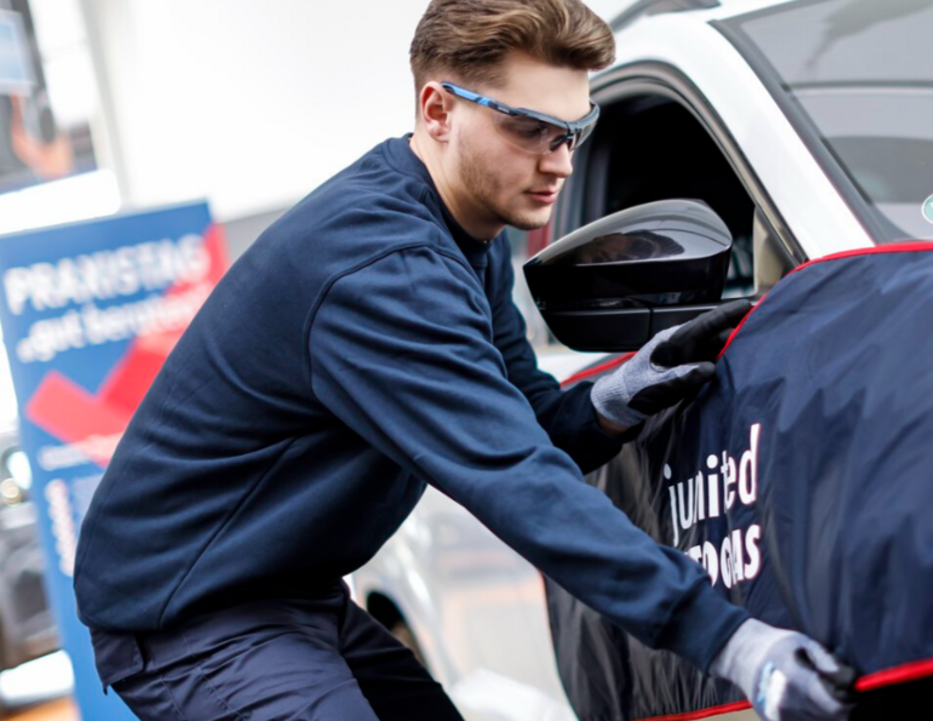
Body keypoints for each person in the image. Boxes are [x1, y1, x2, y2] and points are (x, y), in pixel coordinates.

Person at [72, 1, 856, 719]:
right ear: (438, 109)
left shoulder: (466, 236)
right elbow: (517, 479)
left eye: (570, 133)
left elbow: (531, 417)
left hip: (290, 589)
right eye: (529, 130)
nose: (560, 164)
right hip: (189, 614)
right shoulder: (376, 269)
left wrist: (614, 397)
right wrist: (732, 642)